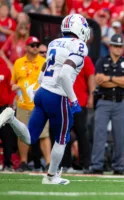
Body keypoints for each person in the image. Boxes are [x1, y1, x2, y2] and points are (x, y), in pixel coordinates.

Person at [0, 14, 90, 184]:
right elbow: (64, 74)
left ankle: (11, 118)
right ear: (79, 28)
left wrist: (41, 88)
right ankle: (51, 176)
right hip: (58, 96)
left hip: (42, 92)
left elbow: (43, 71)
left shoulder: (54, 43)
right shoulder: (79, 45)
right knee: (62, 138)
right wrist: (74, 100)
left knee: (29, 137)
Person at [90, 34, 124, 174]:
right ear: (110, 46)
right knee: (99, 134)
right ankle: (97, 165)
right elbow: (98, 80)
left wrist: (109, 78)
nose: (118, 48)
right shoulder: (102, 61)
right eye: (115, 45)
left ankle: (118, 166)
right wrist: (118, 81)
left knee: (119, 136)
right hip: (104, 101)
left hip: (120, 102)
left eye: (121, 46)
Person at [10, 36, 51, 172]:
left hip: (39, 104)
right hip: (22, 104)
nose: (35, 47)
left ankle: (49, 163)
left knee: (44, 134)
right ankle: (23, 162)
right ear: (26, 47)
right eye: (32, 45)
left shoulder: (44, 62)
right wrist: (14, 87)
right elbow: (13, 82)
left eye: (37, 45)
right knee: (22, 134)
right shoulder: (18, 63)